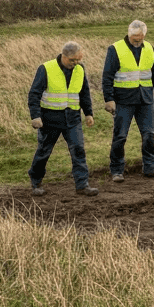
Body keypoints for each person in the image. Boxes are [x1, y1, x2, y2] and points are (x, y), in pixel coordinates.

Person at [27, 41, 99, 196]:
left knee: (78, 150)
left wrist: (88, 113)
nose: (76, 63)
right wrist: (36, 116)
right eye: (73, 60)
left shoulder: (80, 69)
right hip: (49, 119)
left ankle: (82, 184)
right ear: (64, 56)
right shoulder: (46, 68)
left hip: (73, 118)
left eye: (78, 60)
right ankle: (35, 182)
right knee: (44, 151)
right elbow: (34, 94)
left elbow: (84, 93)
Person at [102, 19, 154, 181]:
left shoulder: (150, 49)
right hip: (123, 100)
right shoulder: (115, 49)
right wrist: (109, 99)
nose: (137, 41)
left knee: (149, 135)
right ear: (129, 34)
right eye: (134, 38)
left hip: (145, 99)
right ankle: (117, 170)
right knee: (120, 136)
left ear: (144, 35)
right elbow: (107, 76)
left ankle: (150, 167)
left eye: (140, 38)